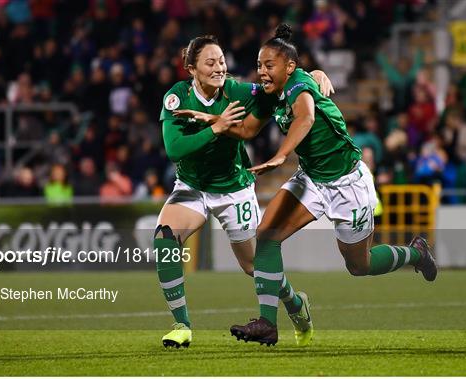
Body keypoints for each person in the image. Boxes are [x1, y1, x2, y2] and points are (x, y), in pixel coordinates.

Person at [208, 24, 436, 346]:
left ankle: (415, 253)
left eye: (268, 65)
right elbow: (246, 130)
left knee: (360, 265)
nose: (262, 72)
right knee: (267, 236)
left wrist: (280, 156)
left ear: (289, 67)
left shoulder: (301, 85)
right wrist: (215, 126)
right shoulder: (273, 94)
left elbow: (306, 118)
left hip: (347, 181)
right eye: (259, 65)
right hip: (312, 179)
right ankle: (268, 323)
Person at [155, 34, 333, 349]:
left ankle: (294, 303)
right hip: (192, 186)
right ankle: (181, 325)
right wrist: (216, 128)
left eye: (221, 61)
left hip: (233, 187)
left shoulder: (237, 91)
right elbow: (174, 148)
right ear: (192, 69)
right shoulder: (176, 98)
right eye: (210, 62)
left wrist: (309, 76)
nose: (218, 67)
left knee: (253, 266)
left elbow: (278, 89)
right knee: (165, 237)